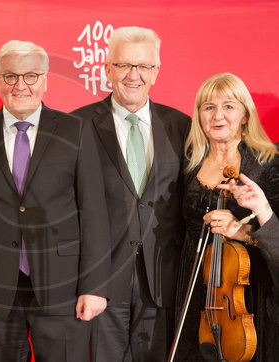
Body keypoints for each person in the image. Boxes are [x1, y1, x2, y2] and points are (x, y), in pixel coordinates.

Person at [0, 40, 110, 362]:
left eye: (31, 76)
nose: (20, 85)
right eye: (10, 76)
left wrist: (95, 286)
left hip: (65, 292)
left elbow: (94, 214)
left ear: (45, 79)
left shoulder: (75, 131)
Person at [72, 26, 191, 361]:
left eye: (143, 67)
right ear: (107, 70)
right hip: (100, 282)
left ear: (156, 72)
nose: (133, 75)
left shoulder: (181, 126)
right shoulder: (75, 126)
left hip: (162, 280)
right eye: (124, 65)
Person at [174, 72, 279, 361]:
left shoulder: (269, 164)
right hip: (195, 288)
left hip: (247, 294)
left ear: (246, 115)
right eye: (208, 107)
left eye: (229, 106)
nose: (218, 115)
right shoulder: (188, 162)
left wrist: (243, 232)